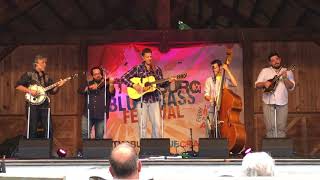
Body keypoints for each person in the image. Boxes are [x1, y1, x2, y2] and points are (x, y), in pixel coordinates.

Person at [121, 48, 175, 138]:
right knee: (142, 125)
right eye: (147, 57)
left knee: (157, 125)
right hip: (142, 100)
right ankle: (144, 149)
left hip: (154, 99)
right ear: (143, 57)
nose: (150, 58)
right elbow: (123, 78)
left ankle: (156, 147)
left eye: (150, 56)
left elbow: (161, 84)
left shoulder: (156, 69)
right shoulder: (138, 68)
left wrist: (169, 81)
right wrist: (134, 85)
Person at [15, 55, 66, 139]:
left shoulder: (47, 77)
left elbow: (52, 91)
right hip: (32, 105)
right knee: (33, 127)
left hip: (45, 105)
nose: (45, 64)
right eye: (43, 62)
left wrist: (59, 86)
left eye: (45, 62)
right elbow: (17, 86)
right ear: (36, 64)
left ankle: (47, 147)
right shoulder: (29, 74)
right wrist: (30, 91)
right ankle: (32, 149)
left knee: (48, 127)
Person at [255, 52, 295, 138]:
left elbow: (291, 87)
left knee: (281, 127)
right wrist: (264, 83)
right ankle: (271, 149)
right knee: (270, 127)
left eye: (277, 59)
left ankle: (281, 150)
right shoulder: (265, 71)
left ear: (280, 59)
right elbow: (257, 85)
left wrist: (285, 78)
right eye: (272, 60)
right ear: (270, 62)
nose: (275, 61)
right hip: (268, 101)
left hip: (283, 101)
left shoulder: (288, 71)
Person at [78, 66, 115, 139]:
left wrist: (111, 84)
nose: (97, 75)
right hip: (88, 113)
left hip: (101, 114)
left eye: (99, 73)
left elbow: (111, 93)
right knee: (84, 133)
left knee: (99, 136)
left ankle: (96, 150)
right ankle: (87, 149)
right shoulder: (88, 83)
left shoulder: (106, 83)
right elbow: (80, 90)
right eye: (95, 74)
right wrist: (89, 87)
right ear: (92, 76)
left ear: (101, 74)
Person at [203, 59, 237, 137]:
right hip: (213, 107)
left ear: (220, 67)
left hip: (224, 109)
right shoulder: (209, 80)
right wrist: (211, 98)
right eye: (212, 68)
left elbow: (235, 83)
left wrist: (227, 70)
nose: (213, 69)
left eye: (215, 67)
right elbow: (206, 95)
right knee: (211, 128)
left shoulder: (225, 80)